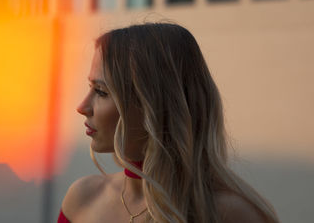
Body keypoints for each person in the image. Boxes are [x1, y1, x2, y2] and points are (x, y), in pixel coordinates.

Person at [57, 23, 279, 223]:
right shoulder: (81, 199)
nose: (82, 107)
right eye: (90, 87)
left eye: (101, 91)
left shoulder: (231, 214)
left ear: (152, 104)